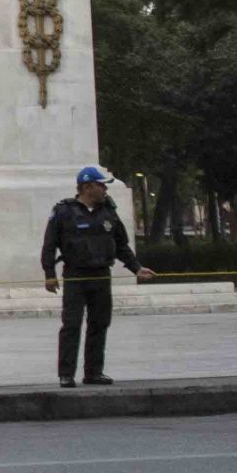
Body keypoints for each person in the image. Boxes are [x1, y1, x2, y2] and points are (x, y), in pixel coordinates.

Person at [40, 166, 154, 387]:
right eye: (101, 185)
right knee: (71, 324)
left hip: (101, 274)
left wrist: (136, 268)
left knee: (99, 324)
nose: (104, 190)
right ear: (87, 186)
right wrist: (49, 274)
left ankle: (93, 372)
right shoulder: (64, 211)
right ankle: (66, 374)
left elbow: (121, 245)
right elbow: (49, 245)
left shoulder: (108, 211)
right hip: (75, 275)